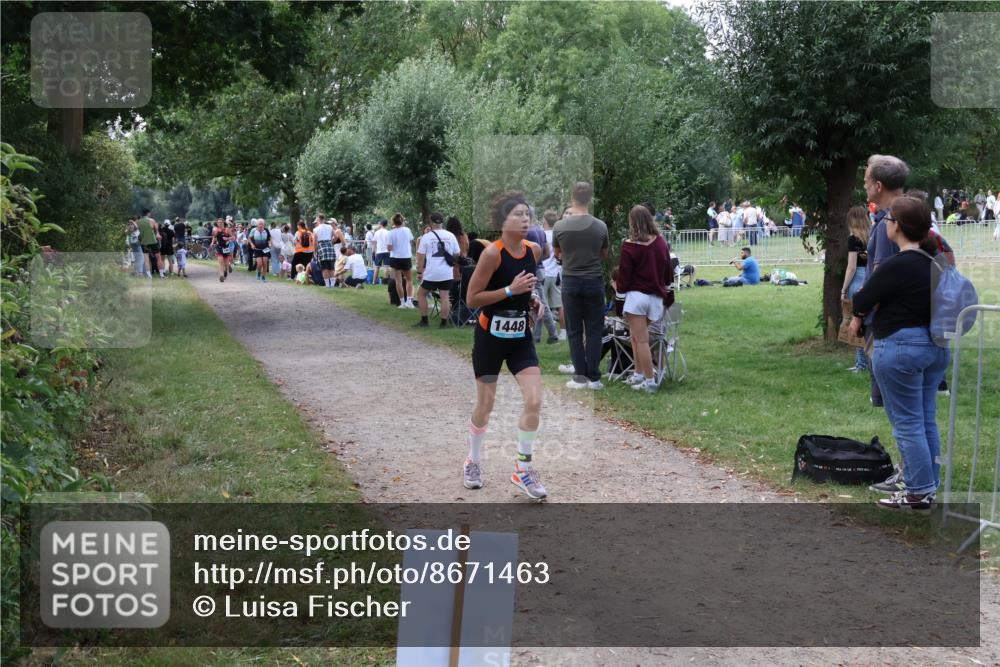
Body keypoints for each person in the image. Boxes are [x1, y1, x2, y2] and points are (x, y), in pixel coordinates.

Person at [849, 195, 949, 512]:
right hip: (934, 348)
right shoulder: (936, 262)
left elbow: (864, 297)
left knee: (907, 424)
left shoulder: (898, 264)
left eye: (889, 221)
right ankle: (927, 486)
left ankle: (917, 492)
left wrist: (859, 316)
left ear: (898, 227)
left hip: (901, 348)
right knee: (925, 420)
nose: (885, 225)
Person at [464, 191, 546, 500]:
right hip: (490, 339)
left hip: (520, 338)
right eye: (518, 215)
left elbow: (524, 287)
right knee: (485, 406)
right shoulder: (492, 254)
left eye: (527, 214)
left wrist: (532, 300)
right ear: (502, 221)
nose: (525, 220)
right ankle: (472, 461)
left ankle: (522, 468)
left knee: (534, 400)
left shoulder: (534, 250)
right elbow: (473, 299)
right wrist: (510, 291)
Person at [863, 154, 908, 411]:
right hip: (907, 323)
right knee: (917, 417)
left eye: (866, 181)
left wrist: (860, 313)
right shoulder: (912, 215)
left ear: (878, 186)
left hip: (888, 326)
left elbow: (881, 279)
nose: (864, 186)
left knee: (903, 417)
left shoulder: (888, 224)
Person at [553, 182, 609, 390]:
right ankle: (594, 377)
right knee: (594, 330)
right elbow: (604, 255)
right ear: (590, 198)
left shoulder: (559, 226)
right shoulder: (600, 226)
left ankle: (579, 377)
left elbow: (558, 253)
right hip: (594, 280)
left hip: (571, 280)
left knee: (574, 330)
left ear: (572, 198)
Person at [616, 205, 674, 393]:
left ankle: (649, 381)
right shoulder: (660, 242)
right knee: (635, 336)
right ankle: (638, 374)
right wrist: (669, 295)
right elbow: (668, 272)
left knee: (641, 340)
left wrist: (619, 300)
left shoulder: (629, 245)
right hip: (656, 298)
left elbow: (624, 277)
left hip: (637, 297)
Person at [415, 212, 460, 327]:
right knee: (444, 296)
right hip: (446, 272)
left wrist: (420, 271)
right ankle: (443, 323)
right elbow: (457, 253)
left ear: (431, 223)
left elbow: (420, 257)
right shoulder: (450, 235)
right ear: (442, 222)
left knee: (421, 294)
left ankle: (424, 321)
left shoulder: (426, 237)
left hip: (432, 272)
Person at [840, 205, 871, 372]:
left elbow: (851, 267)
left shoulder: (853, 239)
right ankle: (868, 360)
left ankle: (861, 363)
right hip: (871, 276)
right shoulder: (873, 235)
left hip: (858, 278)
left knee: (856, 321)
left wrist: (843, 289)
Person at [526, 207, 557, 344]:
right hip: (540, 269)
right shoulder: (540, 231)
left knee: (541, 304)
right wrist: (538, 260)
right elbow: (546, 252)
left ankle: (552, 334)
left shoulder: (527, 232)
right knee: (538, 303)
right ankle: (536, 336)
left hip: (532, 270)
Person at [535, 209, 564, 342]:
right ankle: (563, 331)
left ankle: (537, 334)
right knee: (559, 304)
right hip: (556, 273)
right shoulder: (558, 234)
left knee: (540, 305)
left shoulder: (541, 234)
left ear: (545, 221)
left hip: (544, 273)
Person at [388, 213, 415, 308]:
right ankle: (409, 301)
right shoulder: (407, 230)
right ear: (402, 221)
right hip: (406, 257)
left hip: (395, 258)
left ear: (393, 222)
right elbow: (411, 240)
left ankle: (402, 302)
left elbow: (389, 248)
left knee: (398, 281)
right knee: (409, 280)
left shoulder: (390, 232)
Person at [313, 215, 337, 287]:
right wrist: (331, 243)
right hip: (329, 246)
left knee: (324, 267)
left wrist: (314, 251)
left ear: (318, 219)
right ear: (324, 219)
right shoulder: (330, 227)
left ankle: (327, 285)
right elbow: (336, 236)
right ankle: (332, 285)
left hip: (321, 247)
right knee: (331, 267)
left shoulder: (316, 229)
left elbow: (315, 241)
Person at [136, 209, 160, 278]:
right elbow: (156, 230)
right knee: (158, 257)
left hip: (144, 242)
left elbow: (137, 232)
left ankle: (149, 275)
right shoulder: (151, 220)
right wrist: (157, 234)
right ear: (148, 213)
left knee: (146, 259)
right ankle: (161, 274)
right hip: (153, 241)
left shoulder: (138, 222)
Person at [372, 219, 391, 285]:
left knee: (377, 267)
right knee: (386, 266)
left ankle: (374, 281)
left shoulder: (377, 232)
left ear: (381, 224)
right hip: (387, 251)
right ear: (386, 225)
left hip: (379, 251)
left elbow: (374, 242)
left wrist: (373, 251)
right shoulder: (388, 232)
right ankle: (385, 282)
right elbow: (390, 243)